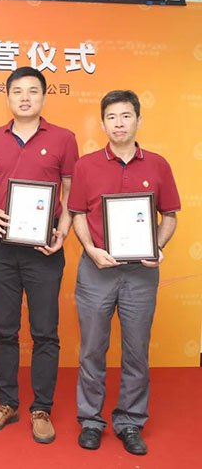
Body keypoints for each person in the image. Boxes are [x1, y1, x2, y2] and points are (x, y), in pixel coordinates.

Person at [68, 90, 180, 455]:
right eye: (112, 117)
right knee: (91, 350)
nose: (119, 123)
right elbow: (78, 214)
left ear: (138, 120)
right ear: (103, 123)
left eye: (126, 116)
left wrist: (157, 246)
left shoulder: (158, 165)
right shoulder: (86, 166)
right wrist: (90, 250)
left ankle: (130, 421)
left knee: (136, 352)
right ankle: (90, 420)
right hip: (96, 269)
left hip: (141, 274)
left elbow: (170, 215)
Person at [0, 67, 79, 443]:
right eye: (17, 91)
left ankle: (41, 408)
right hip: (1, 247)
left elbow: (72, 192)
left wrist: (62, 233)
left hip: (44, 248)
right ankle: (6, 402)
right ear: (7, 98)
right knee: (4, 329)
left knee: (45, 332)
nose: (24, 97)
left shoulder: (64, 138)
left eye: (32, 91)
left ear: (43, 97)